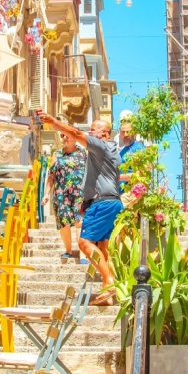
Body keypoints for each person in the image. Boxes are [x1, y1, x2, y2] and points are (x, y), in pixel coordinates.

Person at [35, 110, 122, 306]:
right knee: (102, 247)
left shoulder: (101, 146)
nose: (90, 132)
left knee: (84, 243)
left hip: (102, 203)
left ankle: (110, 281)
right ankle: (106, 292)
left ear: (105, 134)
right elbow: (113, 178)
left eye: (94, 130)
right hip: (112, 201)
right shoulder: (113, 152)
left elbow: (76, 134)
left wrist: (52, 121)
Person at [47, 132, 87, 261]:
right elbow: (51, 176)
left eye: (67, 135)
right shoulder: (57, 154)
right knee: (64, 222)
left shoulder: (84, 153)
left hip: (80, 193)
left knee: (79, 222)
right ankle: (68, 250)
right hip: (61, 194)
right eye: (62, 136)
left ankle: (83, 253)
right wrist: (46, 194)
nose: (64, 138)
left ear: (75, 137)